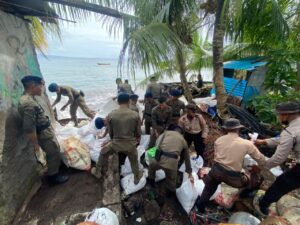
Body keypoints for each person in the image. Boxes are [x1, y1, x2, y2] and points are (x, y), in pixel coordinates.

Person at [196, 118, 266, 213]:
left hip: (216, 171)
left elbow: (217, 156)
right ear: (239, 129)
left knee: (209, 188)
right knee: (256, 179)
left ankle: (200, 206)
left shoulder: (219, 140)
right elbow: (261, 159)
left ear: (226, 129)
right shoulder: (247, 143)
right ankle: (242, 197)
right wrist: (256, 169)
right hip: (233, 179)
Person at [18, 76, 69, 184]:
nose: (42, 89)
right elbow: (29, 127)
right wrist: (36, 145)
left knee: (55, 151)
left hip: (45, 131)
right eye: (41, 86)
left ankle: (56, 170)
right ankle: (53, 178)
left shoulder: (29, 98)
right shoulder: (28, 103)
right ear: (33, 86)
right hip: (43, 134)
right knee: (53, 153)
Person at [255, 102, 300, 216]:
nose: (278, 117)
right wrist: (265, 141)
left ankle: (263, 203)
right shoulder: (295, 127)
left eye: (279, 115)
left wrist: (261, 166)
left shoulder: (290, 131)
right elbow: (282, 139)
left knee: (282, 183)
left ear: (285, 115)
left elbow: (278, 158)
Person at [91, 93, 143, 184]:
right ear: (129, 101)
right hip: (130, 145)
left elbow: (111, 134)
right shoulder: (135, 114)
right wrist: (136, 140)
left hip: (116, 145)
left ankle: (97, 172)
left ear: (118, 102)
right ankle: (136, 177)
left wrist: (113, 141)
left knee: (103, 152)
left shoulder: (111, 114)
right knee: (134, 160)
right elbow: (138, 132)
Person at [148, 124, 194, 195]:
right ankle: (170, 194)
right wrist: (189, 172)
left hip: (158, 160)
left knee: (152, 166)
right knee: (172, 180)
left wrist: (151, 158)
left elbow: (156, 145)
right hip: (172, 164)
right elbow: (187, 158)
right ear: (181, 133)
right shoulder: (183, 140)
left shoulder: (165, 133)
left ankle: (151, 182)